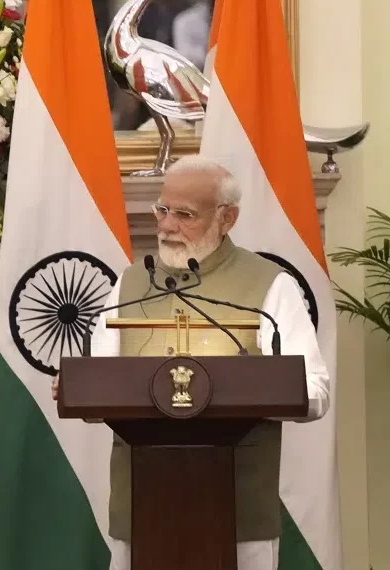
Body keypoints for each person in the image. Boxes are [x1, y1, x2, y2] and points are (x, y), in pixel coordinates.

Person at [52, 155, 330, 570]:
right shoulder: (129, 283)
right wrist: (76, 389)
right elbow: (100, 386)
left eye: (184, 215)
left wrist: (256, 389)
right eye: (162, 210)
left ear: (227, 218)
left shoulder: (271, 285)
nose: (166, 226)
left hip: (239, 511)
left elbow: (317, 392)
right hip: (142, 505)